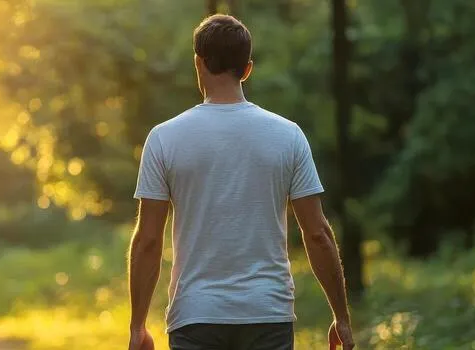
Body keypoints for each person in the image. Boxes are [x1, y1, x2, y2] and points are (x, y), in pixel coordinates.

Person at [126, 14, 355, 350]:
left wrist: (137, 326)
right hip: (267, 315)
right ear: (247, 69)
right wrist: (342, 317)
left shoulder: (164, 139)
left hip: (196, 317)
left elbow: (147, 240)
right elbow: (317, 233)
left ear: (198, 63)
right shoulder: (288, 136)